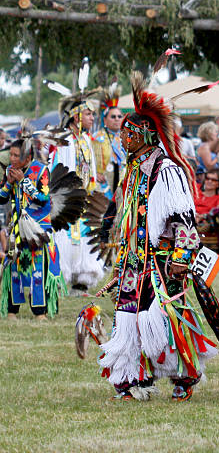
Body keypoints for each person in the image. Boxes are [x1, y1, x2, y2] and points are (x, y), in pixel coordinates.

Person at [98, 72, 219, 401]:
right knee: (126, 320)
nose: (123, 139)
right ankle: (130, 380)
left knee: (167, 319)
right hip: (133, 261)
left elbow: (182, 218)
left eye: (129, 133)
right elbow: (126, 214)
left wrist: (182, 259)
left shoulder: (164, 170)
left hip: (162, 262)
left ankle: (184, 376)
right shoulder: (135, 167)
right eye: (123, 133)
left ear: (147, 134)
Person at [0, 126, 86, 319]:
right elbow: (2, 198)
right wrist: (8, 183)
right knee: (14, 266)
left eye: (16, 156)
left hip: (39, 229)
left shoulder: (41, 171)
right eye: (11, 155)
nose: (12, 159)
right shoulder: (11, 171)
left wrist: (23, 181)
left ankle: (40, 312)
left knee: (38, 269)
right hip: (16, 228)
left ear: (28, 157)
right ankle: (13, 311)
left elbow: (43, 199)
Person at [49, 81, 104, 292]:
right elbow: (58, 168)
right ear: (77, 116)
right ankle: (60, 279)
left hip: (84, 199)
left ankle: (82, 281)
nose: (92, 118)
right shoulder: (65, 140)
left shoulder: (86, 140)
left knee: (84, 237)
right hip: (67, 199)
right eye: (89, 114)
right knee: (65, 238)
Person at [92, 82, 126, 198]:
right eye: (113, 116)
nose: (117, 119)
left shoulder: (127, 138)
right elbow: (88, 160)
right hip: (104, 185)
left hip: (123, 183)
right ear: (105, 120)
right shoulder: (96, 137)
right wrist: (94, 173)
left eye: (119, 116)